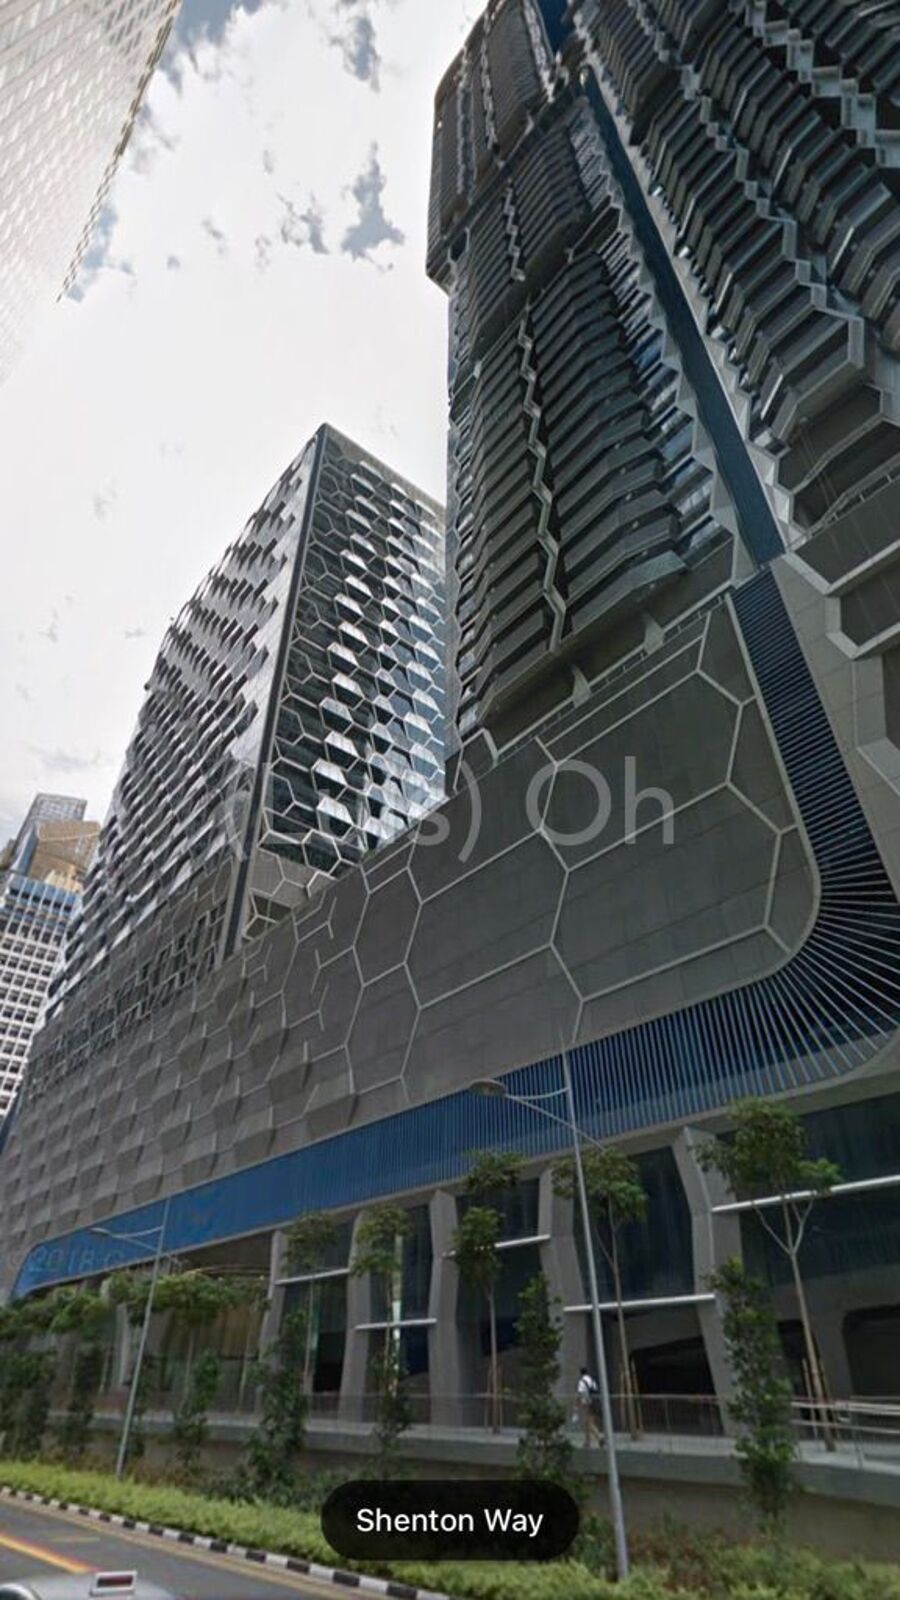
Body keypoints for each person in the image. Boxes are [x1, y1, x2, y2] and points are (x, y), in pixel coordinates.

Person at [576, 1365, 603, 1448]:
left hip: (586, 1404)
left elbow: (580, 1393)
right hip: (594, 1403)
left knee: (588, 1423)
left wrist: (577, 1405)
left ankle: (599, 1437)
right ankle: (587, 1442)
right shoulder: (592, 1380)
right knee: (589, 1422)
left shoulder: (582, 1382)